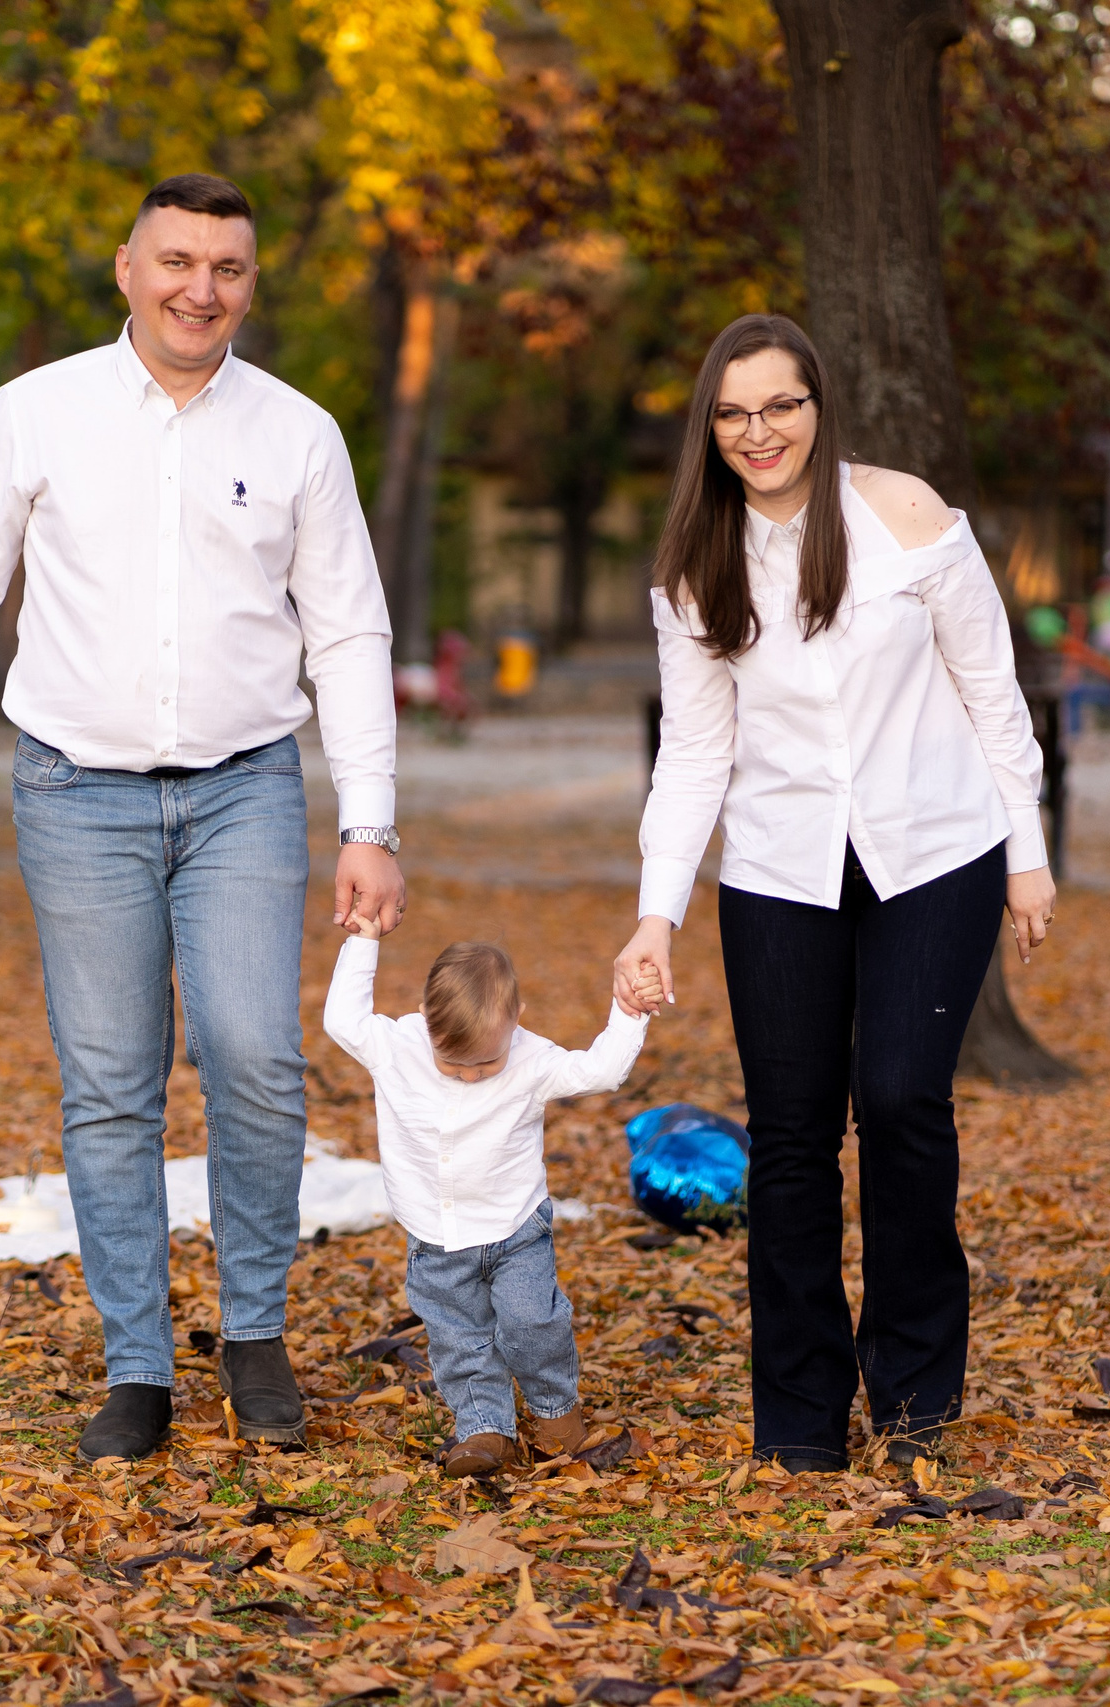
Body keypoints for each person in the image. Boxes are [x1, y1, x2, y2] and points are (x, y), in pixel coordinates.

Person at [0, 172, 407, 1463]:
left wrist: (371, 821)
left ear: (250, 283)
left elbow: (349, 630)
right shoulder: (36, 411)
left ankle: (254, 1335)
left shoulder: (298, 433)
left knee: (255, 1058)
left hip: (245, 789)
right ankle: (136, 1366)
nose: (199, 289)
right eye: (176, 261)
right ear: (127, 268)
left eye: (226, 267)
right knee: (112, 1084)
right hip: (77, 794)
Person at [613, 313, 1056, 1475]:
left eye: (781, 405)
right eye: (733, 413)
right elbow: (692, 756)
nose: (758, 431)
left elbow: (990, 689)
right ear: (708, 428)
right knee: (793, 1136)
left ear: (819, 406)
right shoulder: (694, 568)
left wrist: (1026, 854)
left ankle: (914, 1392)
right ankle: (801, 1414)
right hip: (779, 869)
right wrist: (655, 916)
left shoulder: (904, 515)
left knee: (902, 1100)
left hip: (936, 852)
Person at [323, 921, 654, 1476]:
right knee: (460, 1339)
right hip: (436, 1238)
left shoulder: (531, 1060)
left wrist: (630, 1010)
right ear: (426, 1021)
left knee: (532, 1324)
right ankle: (484, 1430)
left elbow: (600, 1070)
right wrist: (364, 939)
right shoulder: (396, 1047)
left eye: (487, 1064)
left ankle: (556, 1414)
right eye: (454, 1064)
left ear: (515, 1020)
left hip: (515, 1230)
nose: (472, 1076)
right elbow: (341, 1020)